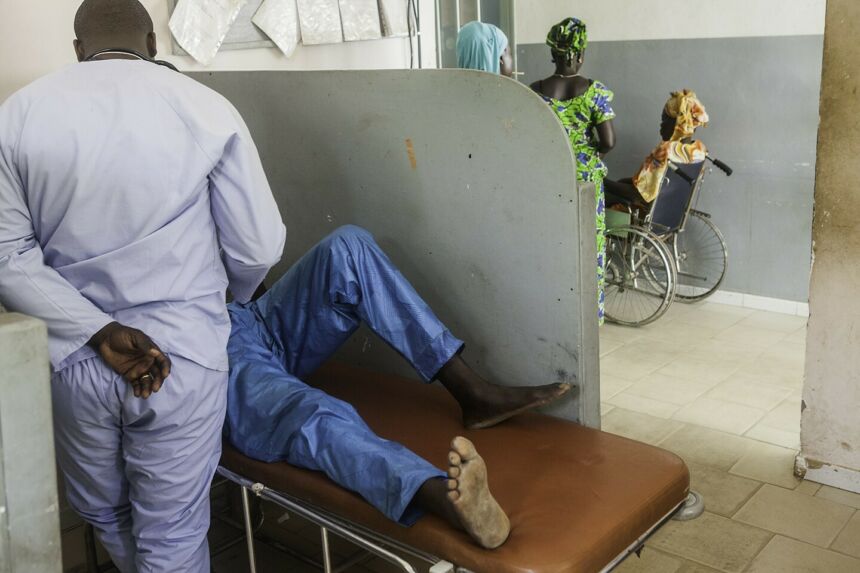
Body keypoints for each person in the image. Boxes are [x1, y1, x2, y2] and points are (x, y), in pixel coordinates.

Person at [0, 1, 569, 569]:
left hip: (230, 319)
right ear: (152, 43)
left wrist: (241, 298)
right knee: (303, 412)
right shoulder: (200, 111)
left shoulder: (23, 116)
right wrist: (230, 296)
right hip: (192, 349)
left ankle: (469, 388)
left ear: (78, 49)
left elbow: (10, 259)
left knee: (347, 246)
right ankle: (433, 494)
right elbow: (256, 245)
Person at [530, 17, 616, 325]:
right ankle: (588, 320)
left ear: (553, 53)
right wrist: (585, 154)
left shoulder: (534, 92)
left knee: (552, 246)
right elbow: (608, 140)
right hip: (586, 182)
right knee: (588, 248)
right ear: (580, 55)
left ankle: (551, 316)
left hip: (548, 178)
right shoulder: (594, 92)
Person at [605, 90, 709, 205]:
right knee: (622, 182)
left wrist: (603, 181)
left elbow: (638, 195)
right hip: (669, 206)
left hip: (648, 206)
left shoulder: (667, 151)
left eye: (665, 120)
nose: (661, 124)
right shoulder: (697, 150)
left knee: (605, 194)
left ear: (679, 125)